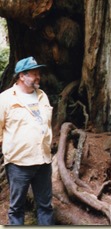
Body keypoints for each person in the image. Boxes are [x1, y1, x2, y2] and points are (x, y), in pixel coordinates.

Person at [0, 56, 54, 225]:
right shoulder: (6, 98)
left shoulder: (42, 96)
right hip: (19, 163)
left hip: (43, 160)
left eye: (38, 73)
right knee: (17, 208)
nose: (38, 76)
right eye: (34, 73)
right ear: (21, 76)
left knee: (45, 205)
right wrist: (10, 148)